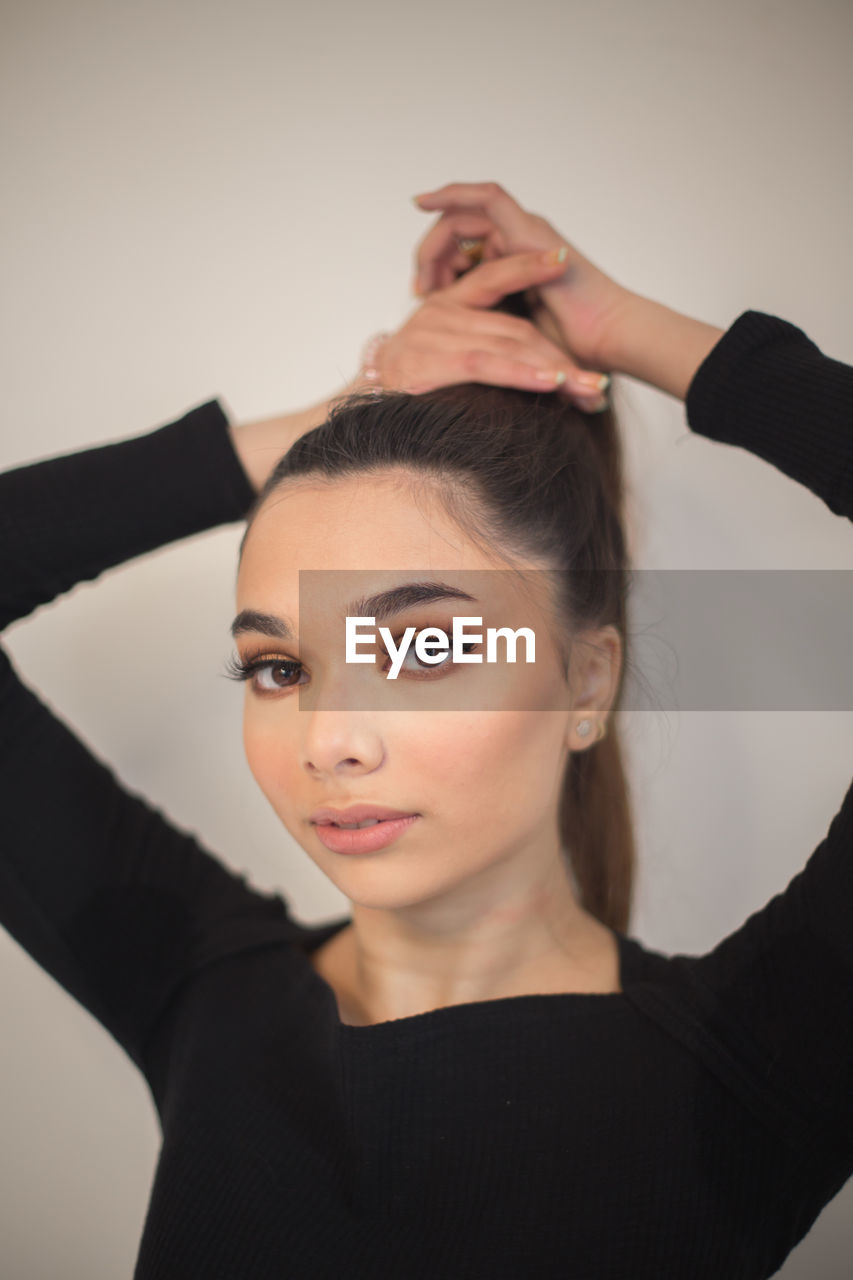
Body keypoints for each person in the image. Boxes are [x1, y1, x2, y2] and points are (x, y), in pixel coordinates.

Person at [1, 182, 851, 1279]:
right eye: (278, 666)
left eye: (424, 648)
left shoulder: (759, 1060)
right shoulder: (203, 989)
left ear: (587, 679)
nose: (329, 740)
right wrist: (344, 416)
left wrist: (625, 333)